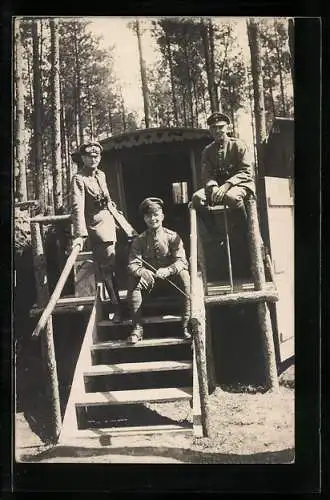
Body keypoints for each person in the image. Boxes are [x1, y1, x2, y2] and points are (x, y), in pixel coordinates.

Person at [126, 197, 191, 344]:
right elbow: (132, 264)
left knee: (185, 276)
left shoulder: (173, 237)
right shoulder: (139, 241)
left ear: (162, 216)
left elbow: (182, 261)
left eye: (156, 215)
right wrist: (142, 272)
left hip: (171, 283)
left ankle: (187, 325)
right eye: (148, 216)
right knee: (133, 281)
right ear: (144, 218)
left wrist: (168, 270)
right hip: (151, 284)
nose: (152, 219)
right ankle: (137, 329)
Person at [70, 141, 121, 320]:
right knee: (107, 267)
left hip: (109, 222)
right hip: (96, 226)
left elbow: (106, 199)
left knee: (112, 264)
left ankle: (117, 304)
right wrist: (80, 233)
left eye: (96, 155)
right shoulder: (79, 178)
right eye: (89, 156)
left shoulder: (101, 174)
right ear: (83, 158)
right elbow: (77, 207)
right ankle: (117, 307)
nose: (93, 159)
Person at [192, 112, 255, 218]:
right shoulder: (207, 151)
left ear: (228, 128)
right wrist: (213, 187)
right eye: (213, 128)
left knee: (231, 197)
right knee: (197, 198)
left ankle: (244, 232)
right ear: (210, 130)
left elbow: (246, 171)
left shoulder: (238, 145)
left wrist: (227, 185)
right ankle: (213, 230)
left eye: (221, 127)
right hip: (217, 188)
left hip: (240, 185)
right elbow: (207, 174)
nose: (217, 131)